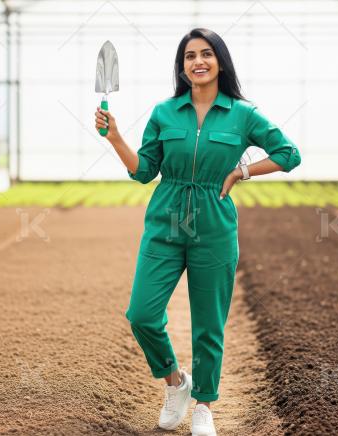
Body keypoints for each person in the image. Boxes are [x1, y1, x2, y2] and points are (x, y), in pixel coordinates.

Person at [94, 28, 301, 435]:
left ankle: (204, 406)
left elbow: (289, 154)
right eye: (190, 56)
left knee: (209, 324)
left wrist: (242, 171)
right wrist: (115, 136)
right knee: (142, 314)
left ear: (220, 62)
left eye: (206, 54)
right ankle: (176, 383)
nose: (198, 62)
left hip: (214, 224)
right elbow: (143, 172)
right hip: (166, 220)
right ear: (182, 66)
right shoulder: (164, 113)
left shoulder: (243, 114)